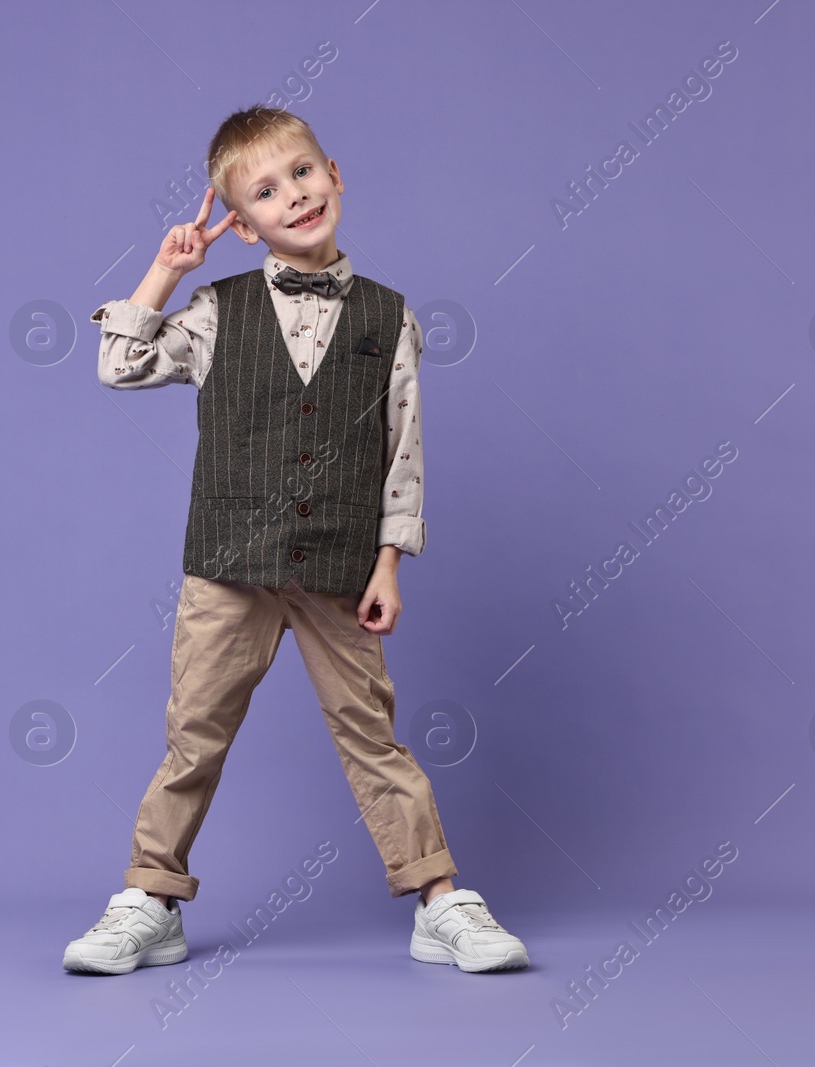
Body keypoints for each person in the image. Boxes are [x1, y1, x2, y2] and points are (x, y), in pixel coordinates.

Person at [63, 106, 528, 976]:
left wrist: (390, 561)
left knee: (371, 734)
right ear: (240, 225)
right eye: (267, 192)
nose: (295, 196)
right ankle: (150, 898)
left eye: (304, 173)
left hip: (341, 567)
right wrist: (165, 270)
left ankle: (439, 899)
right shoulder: (214, 309)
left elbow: (403, 451)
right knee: (194, 733)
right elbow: (117, 364)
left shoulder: (390, 318)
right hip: (228, 565)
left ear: (336, 174)